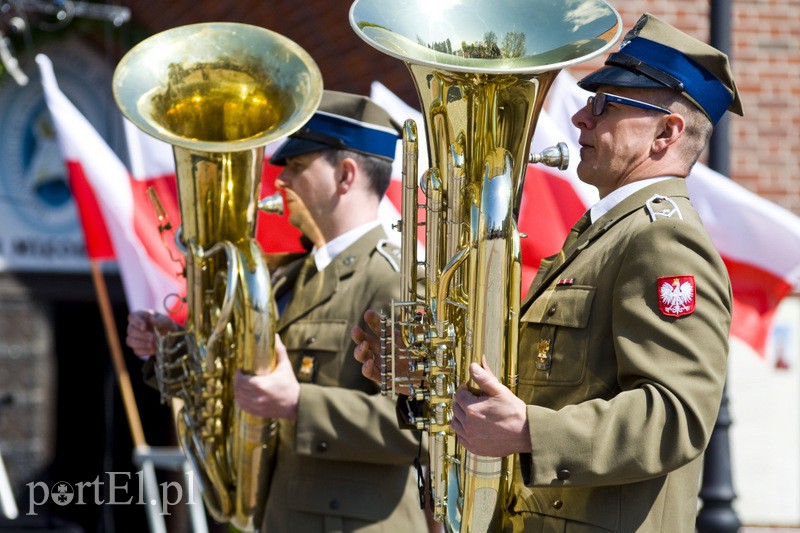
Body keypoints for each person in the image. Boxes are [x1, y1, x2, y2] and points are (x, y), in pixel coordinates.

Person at [353, 13, 742, 532]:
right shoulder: (604, 234)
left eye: (605, 104)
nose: (581, 118)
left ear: (665, 133)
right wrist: (422, 377)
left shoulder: (662, 239)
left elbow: (675, 418)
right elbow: (534, 385)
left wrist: (530, 432)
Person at [127, 90, 430, 532]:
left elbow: (423, 428)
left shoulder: (396, 281)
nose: (281, 180)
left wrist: (298, 404)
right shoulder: (287, 278)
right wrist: (170, 349)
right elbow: (230, 379)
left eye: (297, 166)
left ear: (346, 176)